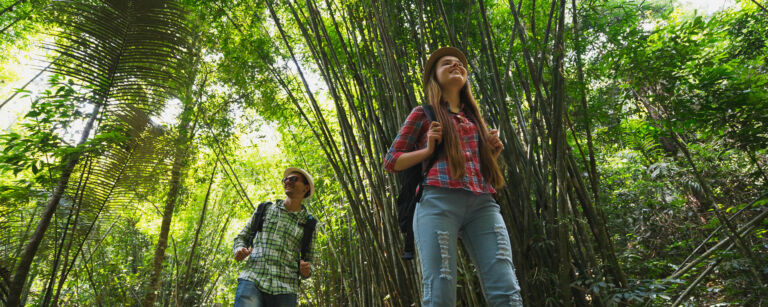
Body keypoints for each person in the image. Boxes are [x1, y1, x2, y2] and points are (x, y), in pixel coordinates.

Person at [384, 47, 523, 306]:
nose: (456, 65)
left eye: (460, 63)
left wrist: (492, 154)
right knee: (441, 287)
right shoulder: (423, 114)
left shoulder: (475, 119)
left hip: (483, 203)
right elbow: (391, 161)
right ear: (434, 77)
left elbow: (479, 169)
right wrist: (427, 149)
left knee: (506, 286)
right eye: (446, 63)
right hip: (438, 201)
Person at [232, 167, 317, 307]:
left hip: (286, 288)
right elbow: (241, 237)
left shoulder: (309, 224)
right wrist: (239, 249)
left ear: (305, 188)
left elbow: (310, 261)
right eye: (285, 179)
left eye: (294, 179)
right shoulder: (265, 209)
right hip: (253, 278)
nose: (288, 181)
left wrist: (307, 270)